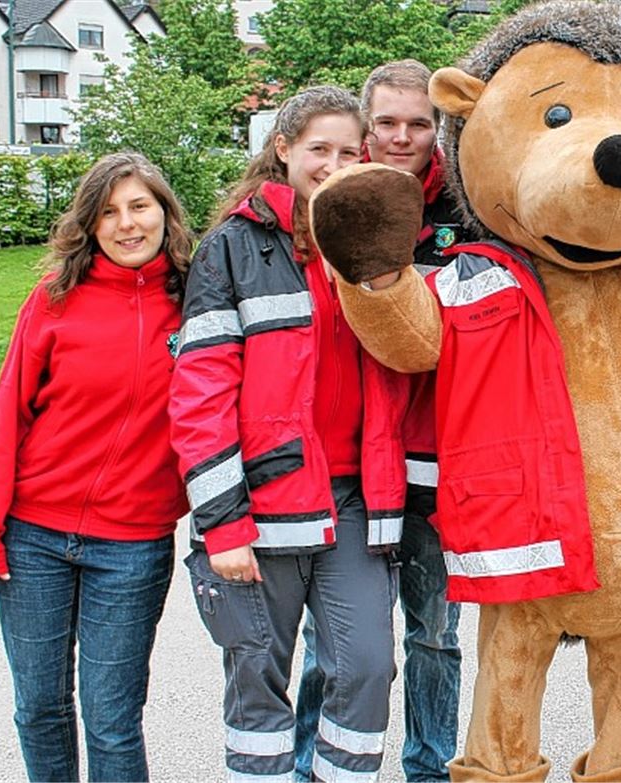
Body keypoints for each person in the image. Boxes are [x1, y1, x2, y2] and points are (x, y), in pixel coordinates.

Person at [169, 85, 397, 782]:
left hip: (355, 500)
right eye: (316, 149)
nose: (332, 164)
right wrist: (223, 522)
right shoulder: (231, 248)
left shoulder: (367, 238)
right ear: (283, 150)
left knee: (367, 666)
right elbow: (199, 394)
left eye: (345, 151)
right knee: (258, 682)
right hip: (261, 508)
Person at [0, 152, 191, 782]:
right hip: (32, 536)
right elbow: (7, 418)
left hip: (131, 546)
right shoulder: (55, 300)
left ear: (164, 212)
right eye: (108, 212)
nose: (126, 224)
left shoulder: (196, 304)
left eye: (139, 206)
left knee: (113, 718)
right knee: (39, 707)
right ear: (90, 226)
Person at [294, 58, 473, 783]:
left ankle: (428, 767)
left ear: (439, 131)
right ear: (367, 127)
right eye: (388, 123)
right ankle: (312, 762)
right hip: (345, 462)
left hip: (434, 461)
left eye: (418, 124)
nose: (402, 137)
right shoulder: (330, 205)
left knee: (434, 633)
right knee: (335, 639)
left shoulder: (467, 213)